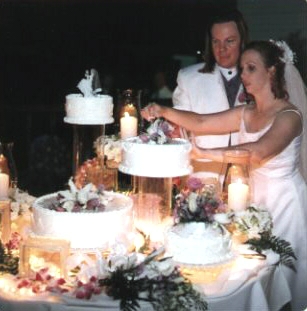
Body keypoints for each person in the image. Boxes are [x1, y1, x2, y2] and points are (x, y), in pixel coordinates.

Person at [142, 40, 307, 311]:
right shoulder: (247, 111)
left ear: (273, 72)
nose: (243, 75)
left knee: (287, 286)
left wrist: (203, 154)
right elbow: (203, 122)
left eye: (251, 68)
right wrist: (164, 110)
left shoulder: (290, 115)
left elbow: (257, 152)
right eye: (242, 68)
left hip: (287, 207)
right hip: (255, 205)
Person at [172, 9, 307, 182]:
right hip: (204, 182)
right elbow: (182, 129)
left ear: (242, 41)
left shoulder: (261, 79)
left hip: (252, 183)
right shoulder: (188, 78)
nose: (222, 49)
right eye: (216, 42)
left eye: (229, 41)